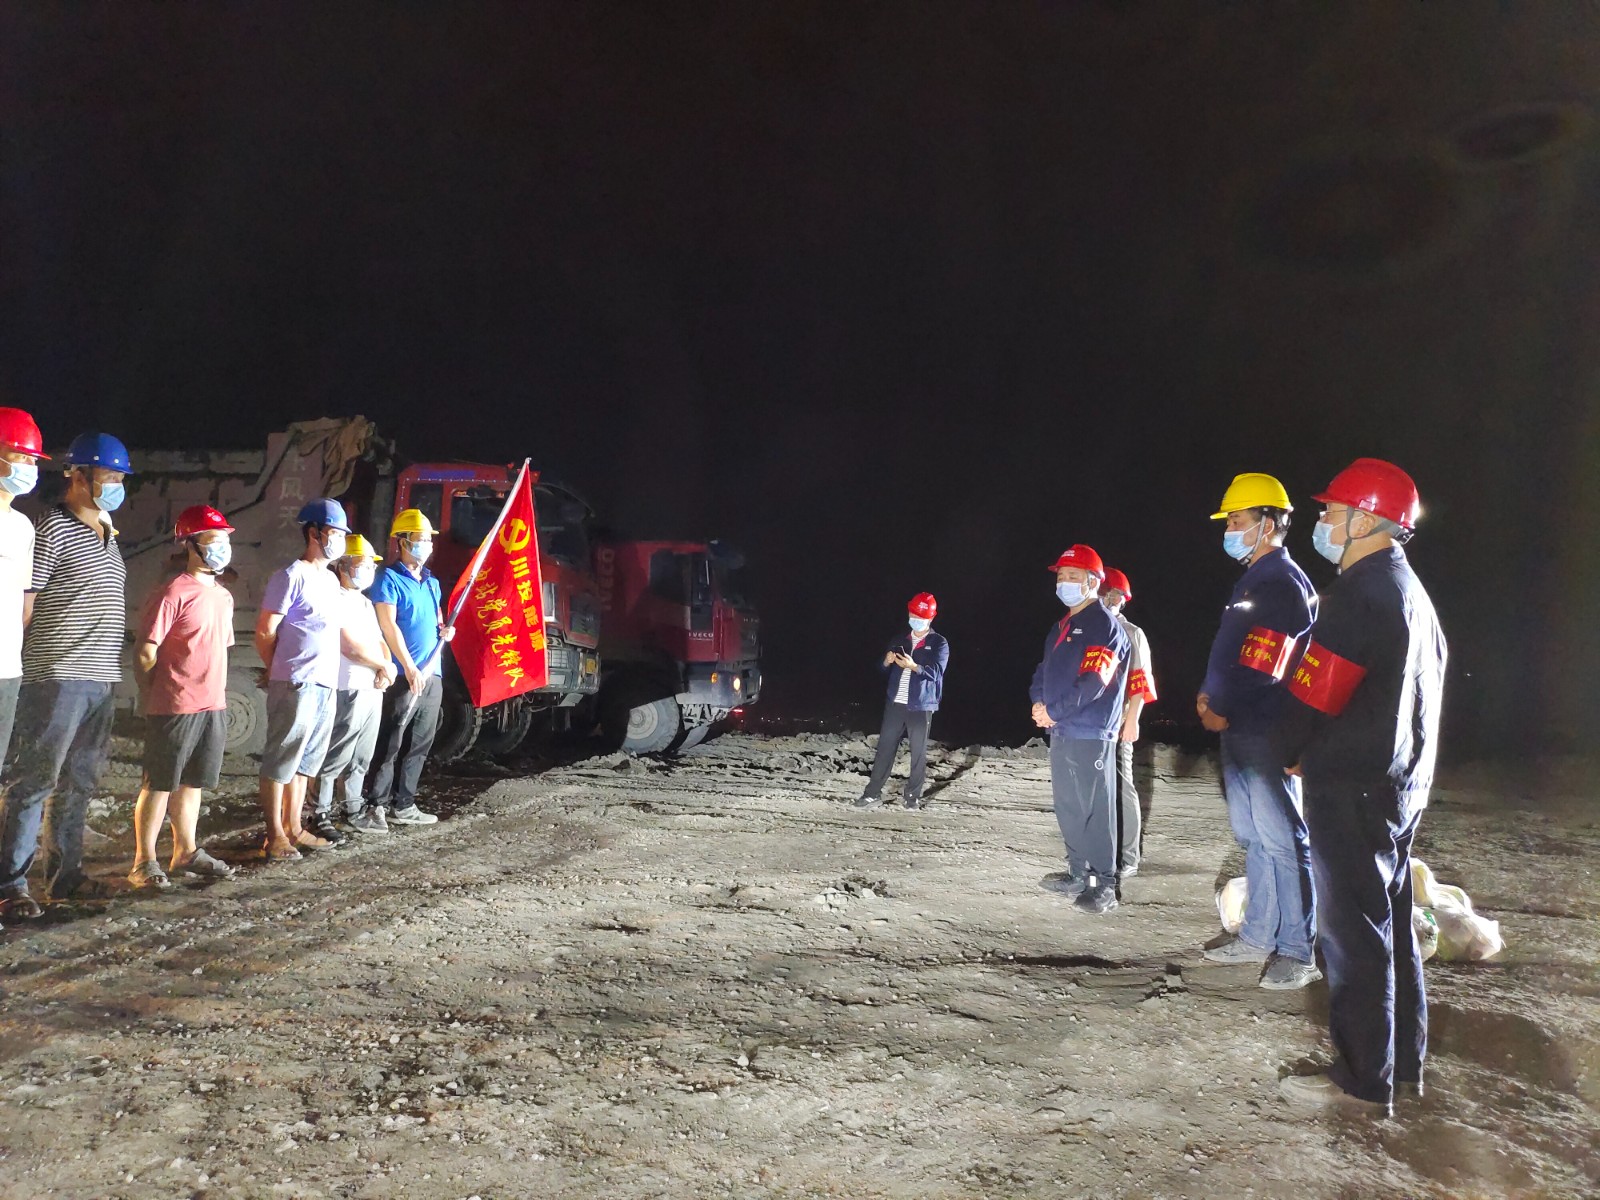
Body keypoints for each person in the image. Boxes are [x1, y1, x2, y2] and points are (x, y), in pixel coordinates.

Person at [1278, 459, 1446, 1117]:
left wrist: (1288, 750)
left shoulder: (1357, 596)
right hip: (1399, 787)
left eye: (1331, 510)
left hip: (1351, 789)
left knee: (1353, 938)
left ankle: (1361, 1081)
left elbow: (1314, 696)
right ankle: (1401, 1068)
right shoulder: (1412, 594)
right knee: (1392, 930)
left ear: (1365, 520)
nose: (1322, 520)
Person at [1198, 473, 1321, 990]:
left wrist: (1221, 704)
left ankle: (1297, 949)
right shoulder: (1254, 580)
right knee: (1255, 837)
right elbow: (1230, 652)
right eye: (1228, 521)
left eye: (1237, 520)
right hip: (1242, 725)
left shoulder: (1281, 583)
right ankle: (1256, 936)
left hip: (1268, 725)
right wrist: (1209, 695)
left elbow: (1263, 662)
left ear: (1267, 524)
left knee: (1284, 840)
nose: (1229, 530)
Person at [0, 432, 131, 917]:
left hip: (100, 678)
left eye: (120, 477)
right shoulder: (51, 528)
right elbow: (25, 603)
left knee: (79, 782)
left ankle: (66, 877)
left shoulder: (109, 535)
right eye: (107, 475)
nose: (115, 484)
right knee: (35, 781)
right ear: (77, 475)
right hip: (55, 674)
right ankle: (11, 885)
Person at [128, 505, 239, 889]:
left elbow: (217, 648)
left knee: (193, 783)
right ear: (190, 544)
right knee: (159, 783)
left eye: (225, 539)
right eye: (213, 540)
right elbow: (146, 651)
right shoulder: (173, 592)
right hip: (175, 704)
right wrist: (153, 693)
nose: (222, 547)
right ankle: (143, 862)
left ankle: (185, 852)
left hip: (212, 705)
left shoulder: (223, 597)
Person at [1031, 544, 1130, 915]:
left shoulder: (1104, 625)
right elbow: (1043, 671)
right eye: (1061, 576)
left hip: (1090, 728)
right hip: (1061, 728)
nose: (1064, 582)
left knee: (1095, 809)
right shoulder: (1061, 626)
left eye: (1073, 576)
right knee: (1068, 805)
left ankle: (1104, 884)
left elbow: (1094, 682)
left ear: (1093, 582)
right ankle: (1076, 873)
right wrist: (1039, 704)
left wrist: (1053, 711)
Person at [255, 497, 349, 860]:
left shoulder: (330, 579)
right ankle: (274, 835)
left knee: (306, 761)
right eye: (334, 532)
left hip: (324, 683)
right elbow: (266, 631)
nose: (339, 539)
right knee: (282, 759)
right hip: (296, 681)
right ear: (313, 533)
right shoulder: (290, 576)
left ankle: (293, 828)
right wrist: (276, 668)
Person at [366, 508, 453, 826]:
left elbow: (436, 620)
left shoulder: (432, 583)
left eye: (429, 540)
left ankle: (404, 804)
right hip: (403, 675)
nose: (427, 545)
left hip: (432, 674)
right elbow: (388, 626)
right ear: (402, 542)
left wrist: (445, 631)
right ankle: (375, 804)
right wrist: (409, 666)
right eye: (420, 539)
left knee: (420, 743)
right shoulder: (388, 578)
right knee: (391, 741)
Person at [312, 535, 394, 837]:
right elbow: (349, 646)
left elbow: (380, 641)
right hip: (347, 684)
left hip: (371, 687)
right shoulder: (334, 598)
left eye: (371, 566)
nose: (368, 571)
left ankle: (352, 809)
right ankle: (319, 812)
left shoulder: (364, 602)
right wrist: (382, 666)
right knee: (338, 751)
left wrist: (387, 667)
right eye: (363, 565)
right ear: (343, 566)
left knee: (362, 755)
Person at [0, 408, 45, 928]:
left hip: (7, 670)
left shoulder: (22, 526)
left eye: (33, 460)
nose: (29, 468)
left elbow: (25, 605)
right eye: (19, 456)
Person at [856, 592, 949, 810]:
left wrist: (914, 667)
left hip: (920, 706)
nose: (915, 619)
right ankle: (872, 794)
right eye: (913, 614)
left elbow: (936, 673)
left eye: (920, 616)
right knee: (885, 748)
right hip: (895, 703)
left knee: (918, 753)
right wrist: (886, 661)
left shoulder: (939, 643)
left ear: (931, 617)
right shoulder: (900, 640)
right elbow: (880, 670)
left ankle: (912, 796)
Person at [1100, 567, 1156, 880]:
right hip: (1092, 723)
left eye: (1116, 595)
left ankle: (1128, 856)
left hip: (1119, 722)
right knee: (1095, 788)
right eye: (1107, 593)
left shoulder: (1132, 633)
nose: (1111, 600)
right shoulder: (1091, 629)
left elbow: (1140, 681)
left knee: (1122, 785)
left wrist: (1132, 719)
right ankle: (1099, 850)